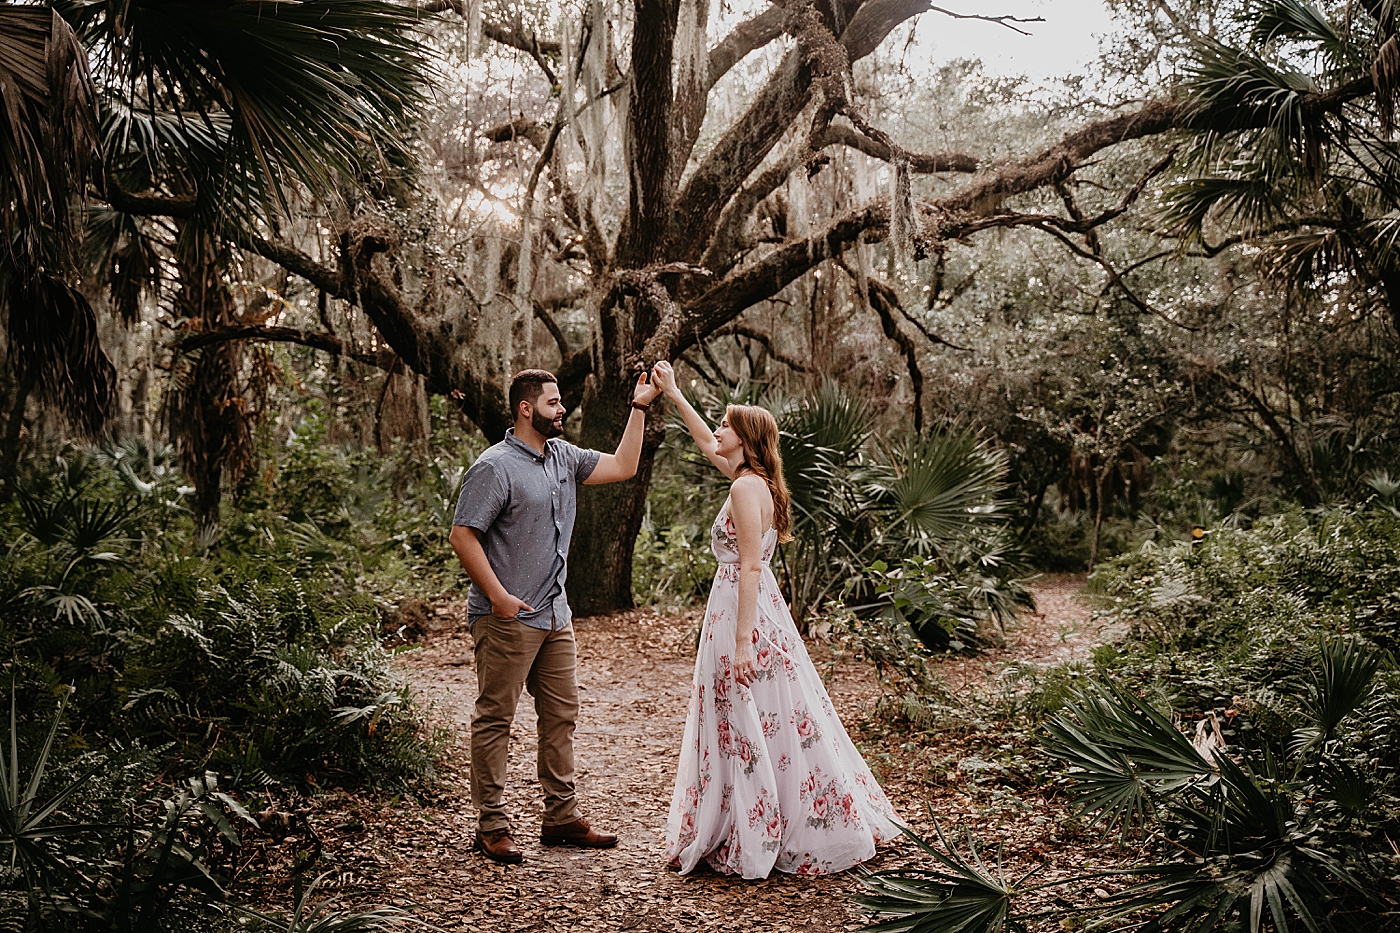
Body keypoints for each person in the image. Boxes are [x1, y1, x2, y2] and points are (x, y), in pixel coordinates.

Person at [650, 361, 902, 879]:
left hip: (744, 611)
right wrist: (674, 395)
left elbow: (747, 565)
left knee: (747, 711)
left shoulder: (745, 489)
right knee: (763, 712)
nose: (717, 430)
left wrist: (743, 641)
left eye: (726, 425)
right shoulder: (751, 480)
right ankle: (757, 813)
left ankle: (761, 824)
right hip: (752, 606)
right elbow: (704, 442)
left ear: (744, 439)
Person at [449, 368, 660, 864]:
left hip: (554, 617)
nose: (562, 409)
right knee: (496, 719)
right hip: (506, 617)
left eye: (560, 402)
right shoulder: (494, 466)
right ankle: (492, 825)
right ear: (526, 408)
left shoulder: (564, 457)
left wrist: (640, 407)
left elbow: (625, 466)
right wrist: (499, 598)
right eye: (553, 403)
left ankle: (560, 819)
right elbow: (463, 535)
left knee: (561, 716)